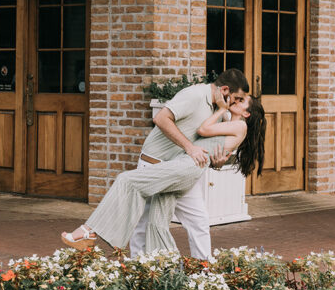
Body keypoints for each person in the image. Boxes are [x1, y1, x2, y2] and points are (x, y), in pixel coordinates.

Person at [60, 94, 266, 255]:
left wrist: (220, 109)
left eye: (241, 101)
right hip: (183, 165)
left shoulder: (239, 125)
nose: (235, 100)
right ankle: (167, 272)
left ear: (247, 113)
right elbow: (215, 147)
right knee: (157, 222)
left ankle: (88, 231)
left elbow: (203, 129)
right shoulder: (228, 120)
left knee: (127, 180)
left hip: (187, 166)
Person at [128, 68, 250, 260]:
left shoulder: (221, 109)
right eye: (237, 98)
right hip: (155, 165)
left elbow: (211, 145)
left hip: (184, 171)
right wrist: (189, 147)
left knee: (199, 221)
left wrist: (217, 163)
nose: (236, 103)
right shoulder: (194, 94)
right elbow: (160, 118)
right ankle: (138, 269)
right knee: (144, 223)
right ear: (225, 90)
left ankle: (204, 272)